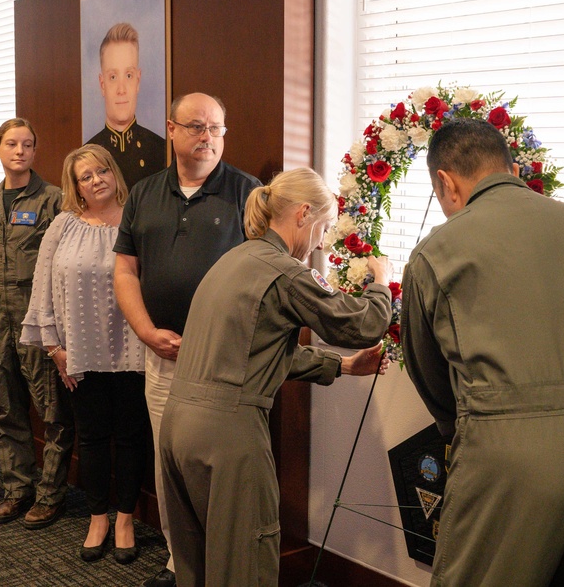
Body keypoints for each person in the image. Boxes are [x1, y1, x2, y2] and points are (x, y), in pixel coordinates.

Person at [400, 118, 564, 587]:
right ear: (512, 168)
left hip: (514, 456)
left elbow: (426, 369)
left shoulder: (440, 251)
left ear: (445, 182)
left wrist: (462, 424)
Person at [159, 168, 393, 586]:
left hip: (179, 426)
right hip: (228, 433)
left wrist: (343, 366)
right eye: (322, 227)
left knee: (197, 561)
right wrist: (381, 281)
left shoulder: (233, 260)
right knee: (244, 562)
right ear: (303, 214)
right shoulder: (283, 270)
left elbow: (255, 353)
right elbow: (361, 325)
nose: (321, 242)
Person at [114, 92, 261, 587]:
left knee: (219, 476)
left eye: (216, 128)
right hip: (163, 357)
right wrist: (146, 331)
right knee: (169, 466)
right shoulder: (143, 193)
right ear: (172, 131)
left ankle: (221, 570)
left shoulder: (248, 194)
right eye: (196, 126)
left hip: (225, 366)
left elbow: (270, 274)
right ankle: (183, 565)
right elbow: (126, 270)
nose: (206, 137)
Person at [23, 144, 147, 564]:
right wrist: (55, 347)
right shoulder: (63, 225)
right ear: (74, 185)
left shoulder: (139, 220)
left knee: (131, 437)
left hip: (134, 349)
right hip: (80, 350)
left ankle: (126, 518)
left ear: (114, 173)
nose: (96, 180)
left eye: (102, 171)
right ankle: (98, 518)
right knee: (92, 437)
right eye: (85, 176)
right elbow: (42, 288)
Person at [0, 118, 74, 528]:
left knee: (51, 408)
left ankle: (50, 494)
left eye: (27, 144)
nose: (19, 151)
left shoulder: (54, 200)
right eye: (11, 144)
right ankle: (17, 489)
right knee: (5, 407)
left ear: (35, 152)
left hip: (37, 310)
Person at [86, 22, 166, 188]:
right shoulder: (86, 155)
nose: (121, 90)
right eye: (113, 77)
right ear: (102, 84)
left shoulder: (161, 150)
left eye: (128, 75)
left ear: (138, 80)